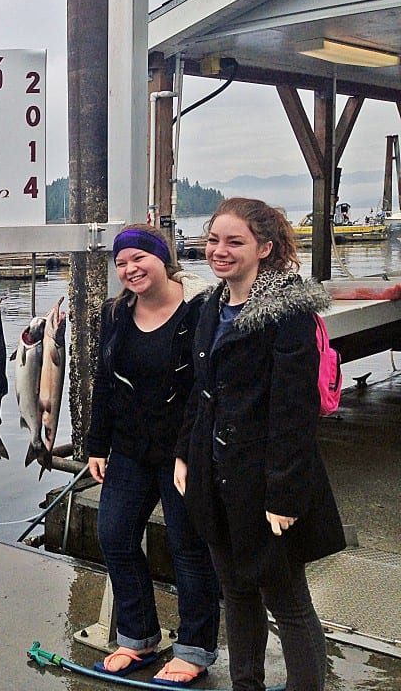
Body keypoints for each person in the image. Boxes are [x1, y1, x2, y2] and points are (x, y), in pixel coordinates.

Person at [174, 197, 346, 691]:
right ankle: (245, 684)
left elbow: (293, 412)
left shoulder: (286, 314)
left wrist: (285, 494)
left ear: (265, 248)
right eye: (213, 240)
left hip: (266, 481)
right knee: (236, 592)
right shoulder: (208, 307)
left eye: (234, 241)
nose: (219, 251)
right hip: (215, 476)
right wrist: (186, 450)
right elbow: (200, 391)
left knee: (287, 600)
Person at [86, 224, 221, 686]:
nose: (129, 269)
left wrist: (192, 452)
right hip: (129, 449)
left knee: (188, 547)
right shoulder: (116, 313)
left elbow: (209, 390)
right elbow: (103, 381)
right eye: (121, 263)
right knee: (115, 536)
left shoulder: (201, 310)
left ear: (163, 259)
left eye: (138, 258)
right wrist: (95, 445)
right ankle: (139, 636)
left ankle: (194, 649)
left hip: (183, 451)